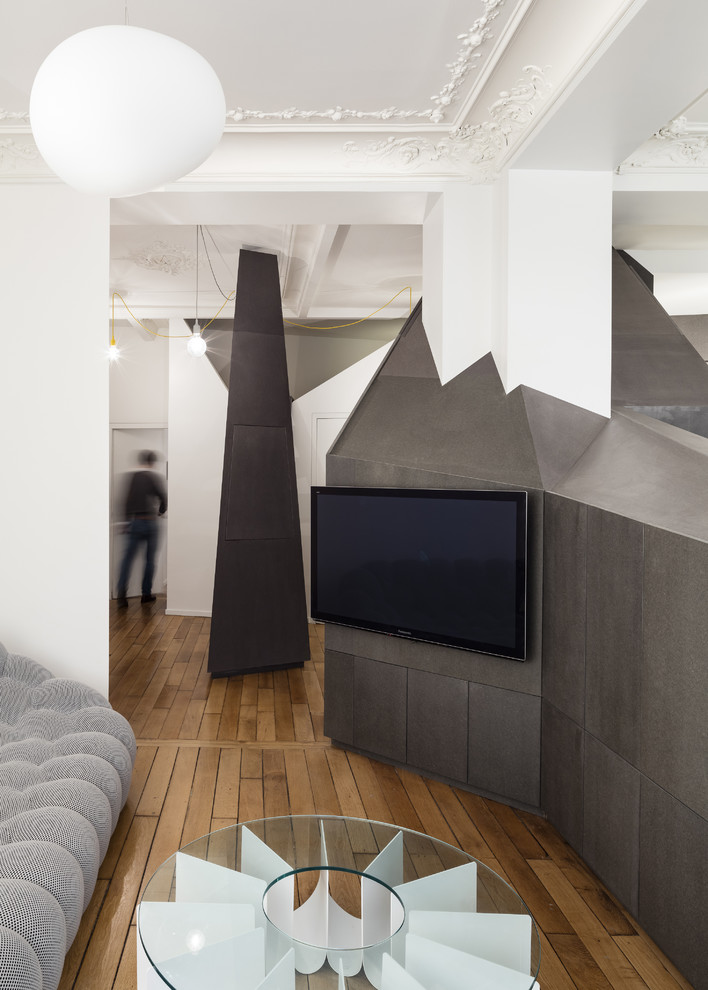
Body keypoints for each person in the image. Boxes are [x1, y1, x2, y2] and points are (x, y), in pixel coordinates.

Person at [116, 450, 167, 607]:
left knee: (127, 560)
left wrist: (125, 522)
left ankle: (121, 596)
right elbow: (164, 498)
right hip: (150, 522)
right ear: (152, 463)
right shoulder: (153, 477)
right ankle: (146, 594)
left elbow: (124, 501)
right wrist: (160, 512)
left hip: (133, 522)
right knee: (150, 560)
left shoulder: (131, 477)